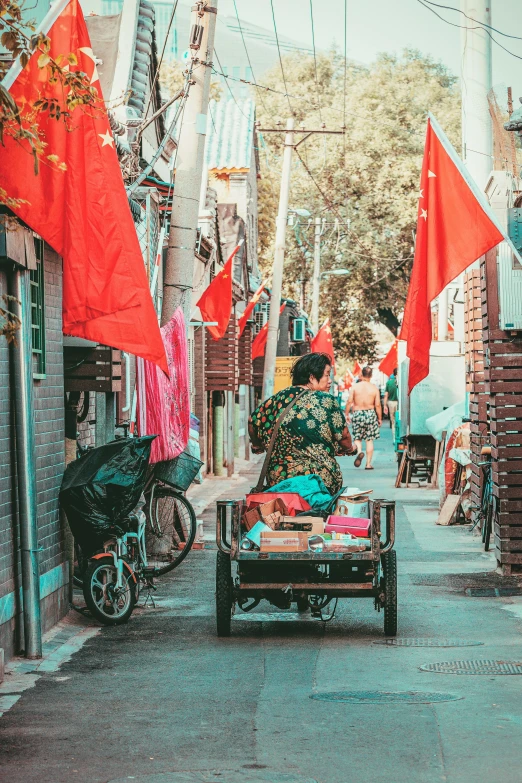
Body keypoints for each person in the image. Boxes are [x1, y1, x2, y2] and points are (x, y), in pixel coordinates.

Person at [248, 353, 355, 494]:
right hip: (319, 481)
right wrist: (349, 449)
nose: (329, 381)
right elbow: (344, 435)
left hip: (280, 481)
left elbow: (252, 421)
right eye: (326, 375)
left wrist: (257, 445)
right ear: (311, 377)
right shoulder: (326, 400)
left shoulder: (277, 399)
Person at [345, 365, 382, 470]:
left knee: (357, 438)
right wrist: (379, 418)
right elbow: (378, 405)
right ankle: (368, 464)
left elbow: (349, 401)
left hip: (358, 413)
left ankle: (360, 452)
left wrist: (347, 414)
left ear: (361, 374)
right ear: (371, 375)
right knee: (369, 440)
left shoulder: (355, 387)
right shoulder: (374, 388)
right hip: (370, 413)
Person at [383, 368, 399, 439]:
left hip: (391, 403)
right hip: (399, 403)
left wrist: (385, 405)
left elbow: (386, 395)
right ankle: (399, 436)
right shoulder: (401, 381)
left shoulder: (389, 383)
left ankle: (394, 438)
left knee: (393, 421)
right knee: (399, 420)